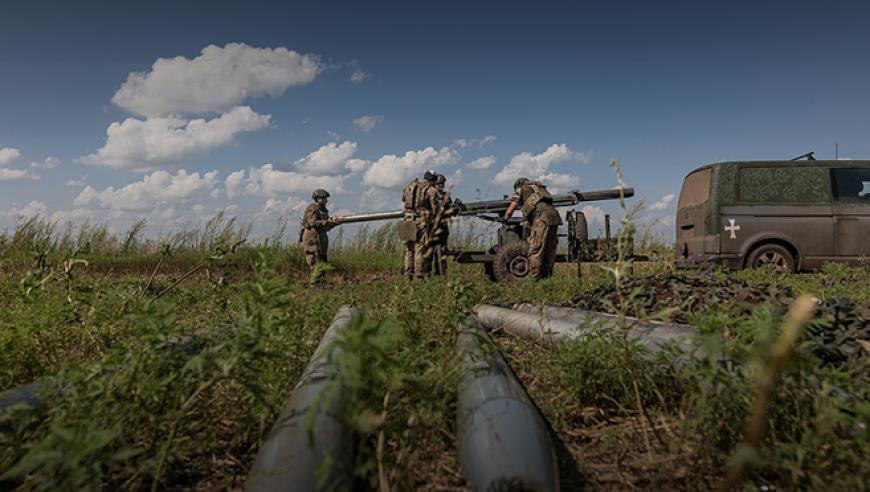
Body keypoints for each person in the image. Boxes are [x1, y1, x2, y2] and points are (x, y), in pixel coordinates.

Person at [502, 177, 561, 279]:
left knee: (536, 249)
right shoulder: (540, 189)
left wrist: (505, 218)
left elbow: (511, 208)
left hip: (542, 218)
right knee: (549, 250)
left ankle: (533, 279)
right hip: (554, 217)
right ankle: (546, 277)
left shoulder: (521, 189)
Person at [401, 170, 439, 279]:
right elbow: (435, 208)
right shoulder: (431, 190)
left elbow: (403, 198)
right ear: (433, 180)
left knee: (408, 249)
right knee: (419, 248)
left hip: (407, 218)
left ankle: (407, 275)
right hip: (420, 221)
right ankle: (419, 275)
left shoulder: (410, 186)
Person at [301, 189, 341, 269]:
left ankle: (321, 281)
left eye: (326, 199)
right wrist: (327, 221)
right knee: (315, 263)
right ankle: (315, 281)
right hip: (312, 239)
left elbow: (325, 227)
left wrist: (333, 223)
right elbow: (312, 223)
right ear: (317, 199)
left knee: (323, 262)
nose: (326, 201)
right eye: (324, 198)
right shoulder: (313, 208)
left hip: (320, 238)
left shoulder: (322, 210)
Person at [429, 173, 456, 275]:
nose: (441, 185)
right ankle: (426, 274)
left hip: (442, 228)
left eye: (442, 183)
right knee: (428, 253)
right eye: (439, 183)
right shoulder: (430, 195)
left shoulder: (446, 196)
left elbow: (451, 211)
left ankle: (441, 274)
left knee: (441, 253)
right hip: (431, 228)